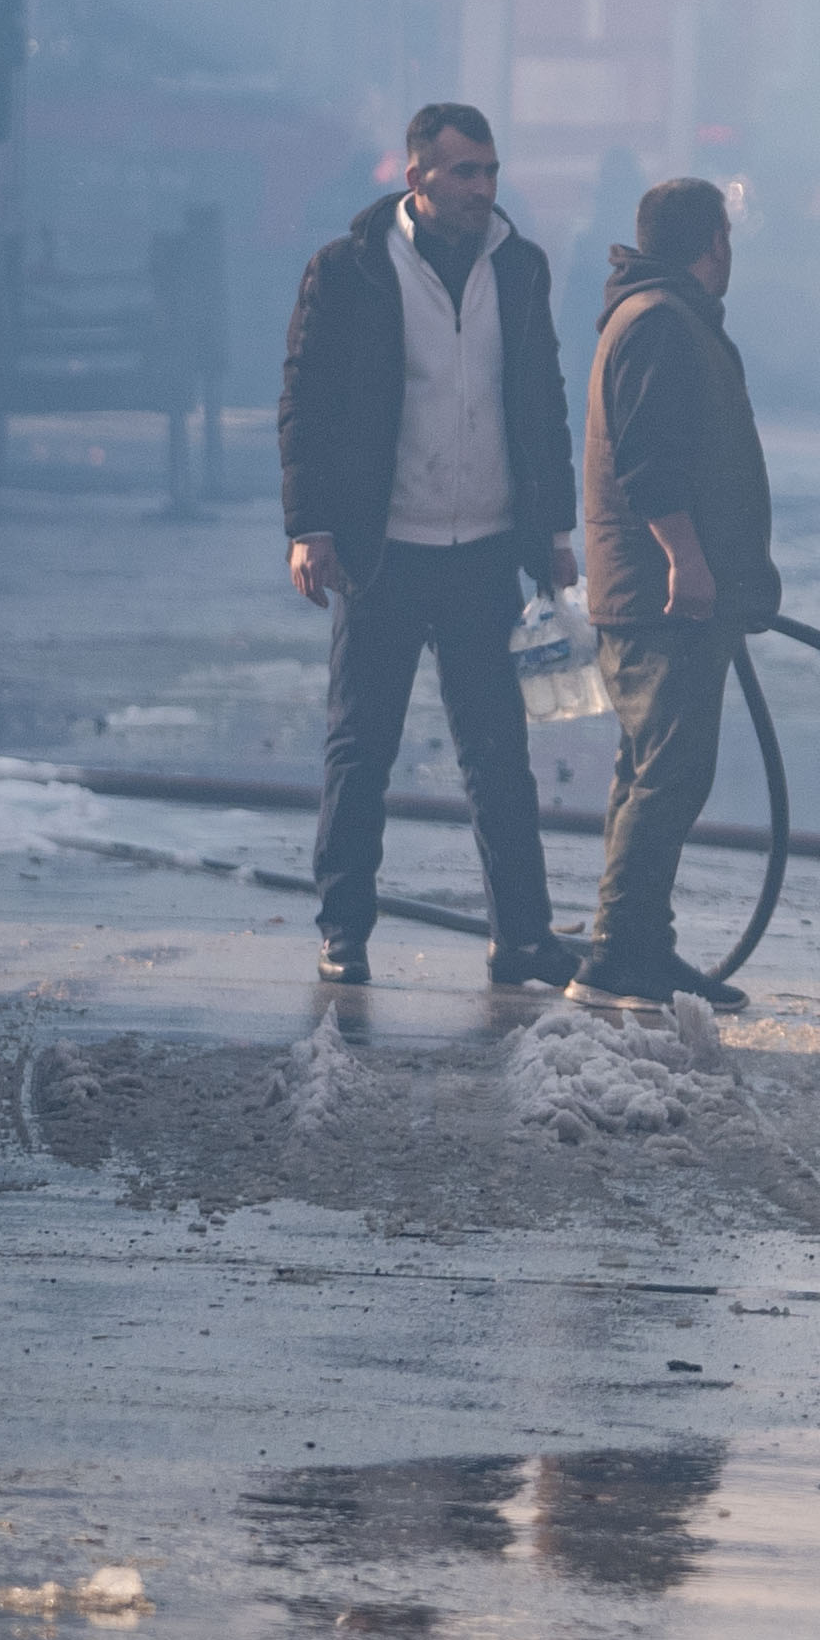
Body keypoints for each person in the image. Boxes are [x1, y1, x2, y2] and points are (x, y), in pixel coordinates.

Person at [277, 104, 582, 991]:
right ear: (417, 179)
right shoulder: (350, 272)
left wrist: (552, 533)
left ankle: (521, 938)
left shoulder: (518, 269)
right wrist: (311, 529)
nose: (483, 188)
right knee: (360, 749)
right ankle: (344, 932)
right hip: (384, 552)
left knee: (499, 757)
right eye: (464, 173)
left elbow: (544, 404)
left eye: (490, 170)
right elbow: (305, 405)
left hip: (485, 550)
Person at [579, 173, 776, 1008]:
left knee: (651, 773)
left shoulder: (655, 316)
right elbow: (650, 464)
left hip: (671, 596)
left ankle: (634, 948)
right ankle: (618, 958)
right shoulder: (661, 324)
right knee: (668, 776)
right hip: (665, 599)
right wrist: (685, 562)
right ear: (715, 244)